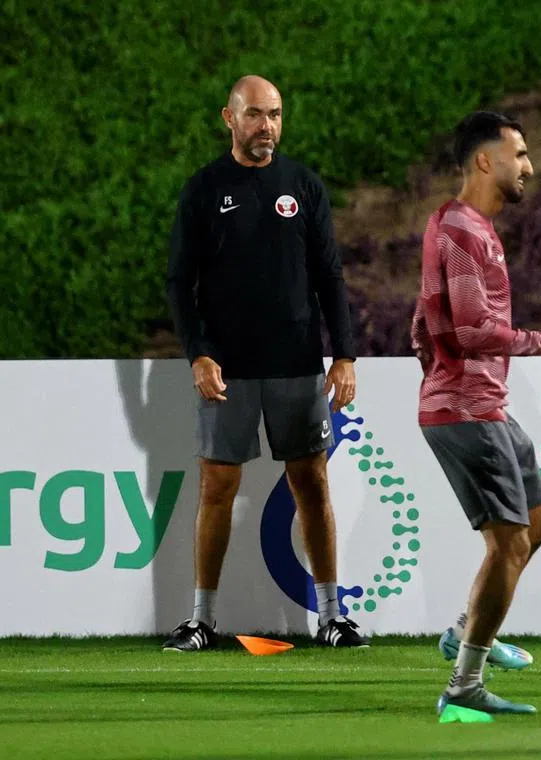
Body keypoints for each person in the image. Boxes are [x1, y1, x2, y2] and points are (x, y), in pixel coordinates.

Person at [164, 75, 366, 650]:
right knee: (217, 489)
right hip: (226, 368)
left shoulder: (303, 185)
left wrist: (345, 353)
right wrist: (198, 353)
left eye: (275, 114)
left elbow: (330, 275)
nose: (267, 127)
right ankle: (202, 619)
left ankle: (332, 615)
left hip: (296, 363)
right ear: (228, 118)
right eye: (255, 115)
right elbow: (179, 282)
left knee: (313, 485)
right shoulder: (203, 189)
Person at [412, 111, 541, 714]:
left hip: (482, 404)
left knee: (538, 522)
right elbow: (467, 329)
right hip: (469, 410)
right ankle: (463, 685)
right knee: (510, 544)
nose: (529, 166)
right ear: (485, 160)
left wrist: (438, 366)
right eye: (519, 153)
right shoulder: (463, 231)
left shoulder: (460, 225)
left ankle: (465, 629)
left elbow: (424, 326)